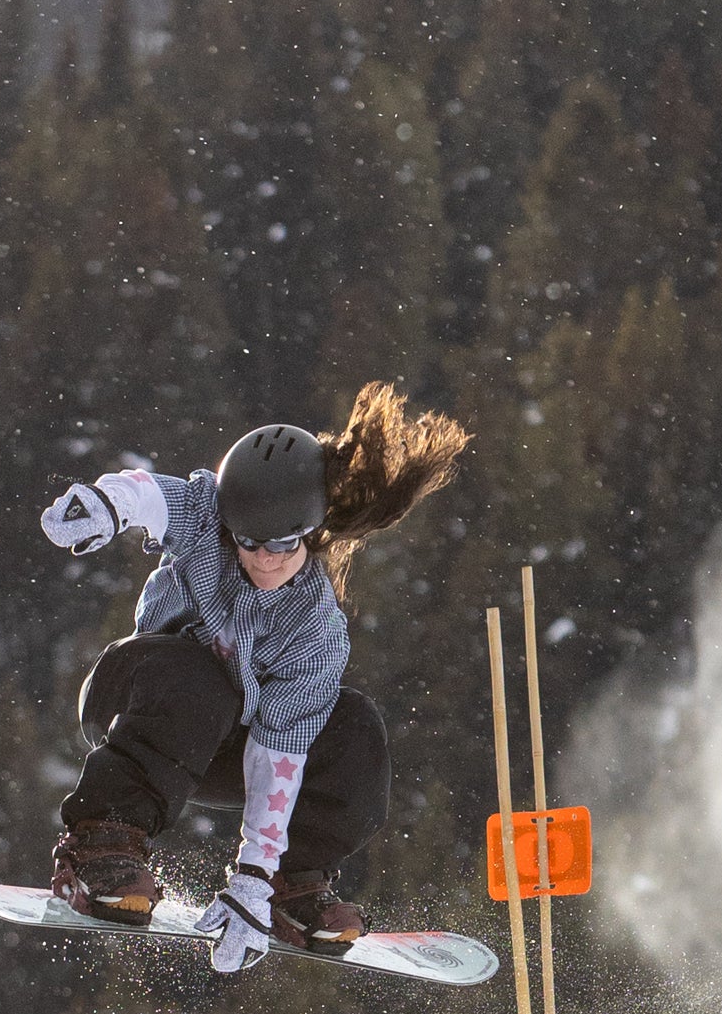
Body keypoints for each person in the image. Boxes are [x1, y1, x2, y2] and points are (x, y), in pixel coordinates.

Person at [40, 383, 469, 972]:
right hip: (136, 703)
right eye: (249, 541)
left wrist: (253, 880)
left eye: (283, 544)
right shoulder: (204, 516)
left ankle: (297, 883)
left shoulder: (315, 629)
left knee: (353, 726)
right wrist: (102, 505)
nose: (265, 558)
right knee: (201, 678)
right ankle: (103, 840)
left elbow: (278, 757)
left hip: (228, 749)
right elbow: (149, 494)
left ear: (311, 532)